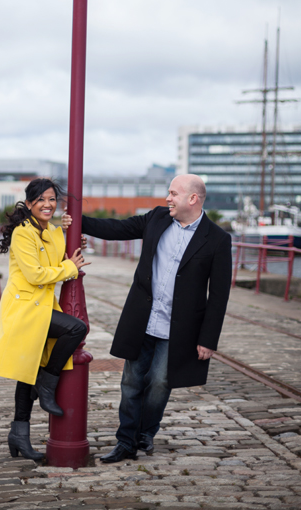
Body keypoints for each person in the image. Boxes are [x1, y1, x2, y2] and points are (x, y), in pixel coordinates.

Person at [64, 173, 232, 463]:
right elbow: (117, 228)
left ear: (192, 199)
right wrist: (77, 220)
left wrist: (208, 339)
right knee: (131, 381)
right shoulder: (157, 218)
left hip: (180, 327)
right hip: (143, 318)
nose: (167, 198)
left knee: (159, 382)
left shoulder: (217, 239)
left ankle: (146, 432)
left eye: (173, 193)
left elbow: (218, 295)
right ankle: (126, 441)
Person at [0, 177, 90, 462]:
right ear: (29, 203)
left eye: (52, 199)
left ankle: (18, 435)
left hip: (41, 306)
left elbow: (59, 258)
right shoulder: (23, 233)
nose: (48, 205)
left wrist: (73, 240)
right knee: (76, 329)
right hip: (24, 308)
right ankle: (47, 381)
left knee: (28, 368)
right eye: (42, 200)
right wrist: (70, 268)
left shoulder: (50, 230)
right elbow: (37, 275)